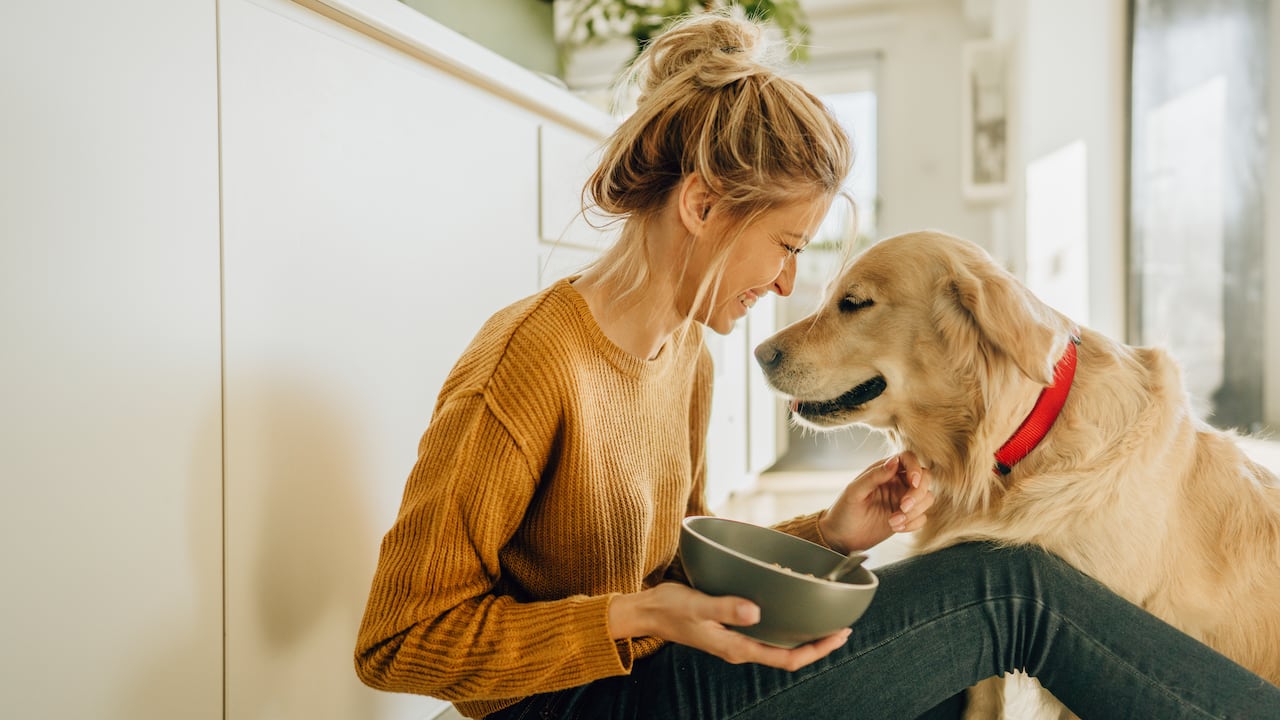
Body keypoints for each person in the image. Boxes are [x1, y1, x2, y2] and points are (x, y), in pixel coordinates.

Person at [354, 12, 1280, 720]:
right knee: (1008, 587)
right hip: (589, 705)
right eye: (786, 244)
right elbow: (398, 644)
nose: (788, 281)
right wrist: (640, 619)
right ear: (705, 207)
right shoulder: (529, 361)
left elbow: (683, 559)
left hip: (666, 675)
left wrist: (831, 536)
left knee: (939, 665)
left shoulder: (681, 356)